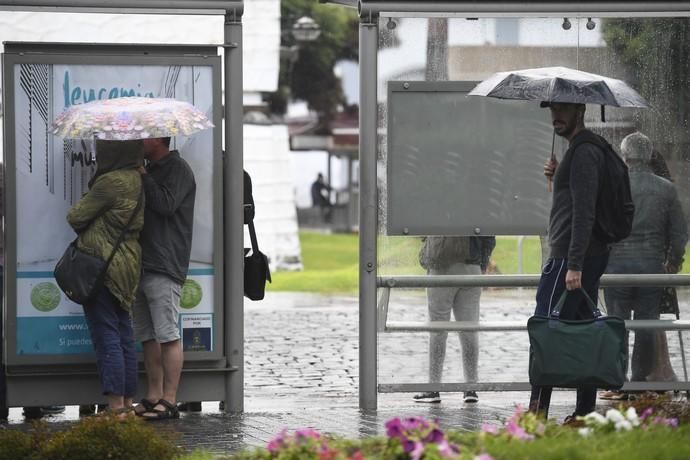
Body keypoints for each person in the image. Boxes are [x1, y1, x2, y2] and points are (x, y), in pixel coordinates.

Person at [529, 102, 610, 422]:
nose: (555, 115)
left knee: (546, 330)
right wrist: (558, 172)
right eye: (552, 109)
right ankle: (584, 412)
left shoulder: (585, 152)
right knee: (580, 330)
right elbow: (574, 201)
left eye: (563, 109)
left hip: (568, 260)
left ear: (580, 109)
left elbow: (585, 212)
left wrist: (574, 264)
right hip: (577, 258)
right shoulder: (578, 153)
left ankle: (537, 413)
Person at [600, 133, 687, 400]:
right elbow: (679, 233)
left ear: (624, 157)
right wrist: (673, 261)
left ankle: (618, 382)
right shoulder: (666, 189)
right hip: (652, 268)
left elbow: (601, 228)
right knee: (647, 326)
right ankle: (639, 380)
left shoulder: (612, 186)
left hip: (616, 269)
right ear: (650, 156)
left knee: (617, 326)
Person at [67, 140, 145, 417]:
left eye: (102, 149)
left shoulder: (110, 182)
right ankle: (126, 402)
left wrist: (94, 184)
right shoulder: (137, 178)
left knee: (106, 334)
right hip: (128, 263)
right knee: (124, 332)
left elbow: (75, 217)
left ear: (112, 152)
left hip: (102, 266)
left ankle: (114, 407)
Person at [133, 137, 195, 420]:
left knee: (167, 333)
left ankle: (170, 399)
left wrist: (144, 176)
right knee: (147, 335)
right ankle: (153, 394)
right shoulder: (151, 169)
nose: (138, 141)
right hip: (142, 265)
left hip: (164, 264)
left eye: (143, 136)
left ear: (158, 139)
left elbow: (166, 204)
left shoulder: (178, 169)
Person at [413, 235, 496, 404]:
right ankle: (471, 387)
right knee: (470, 329)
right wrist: (482, 262)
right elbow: (489, 235)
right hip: (471, 266)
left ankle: (433, 388)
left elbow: (422, 230)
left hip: (440, 264)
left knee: (437, 330)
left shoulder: (436, 207)